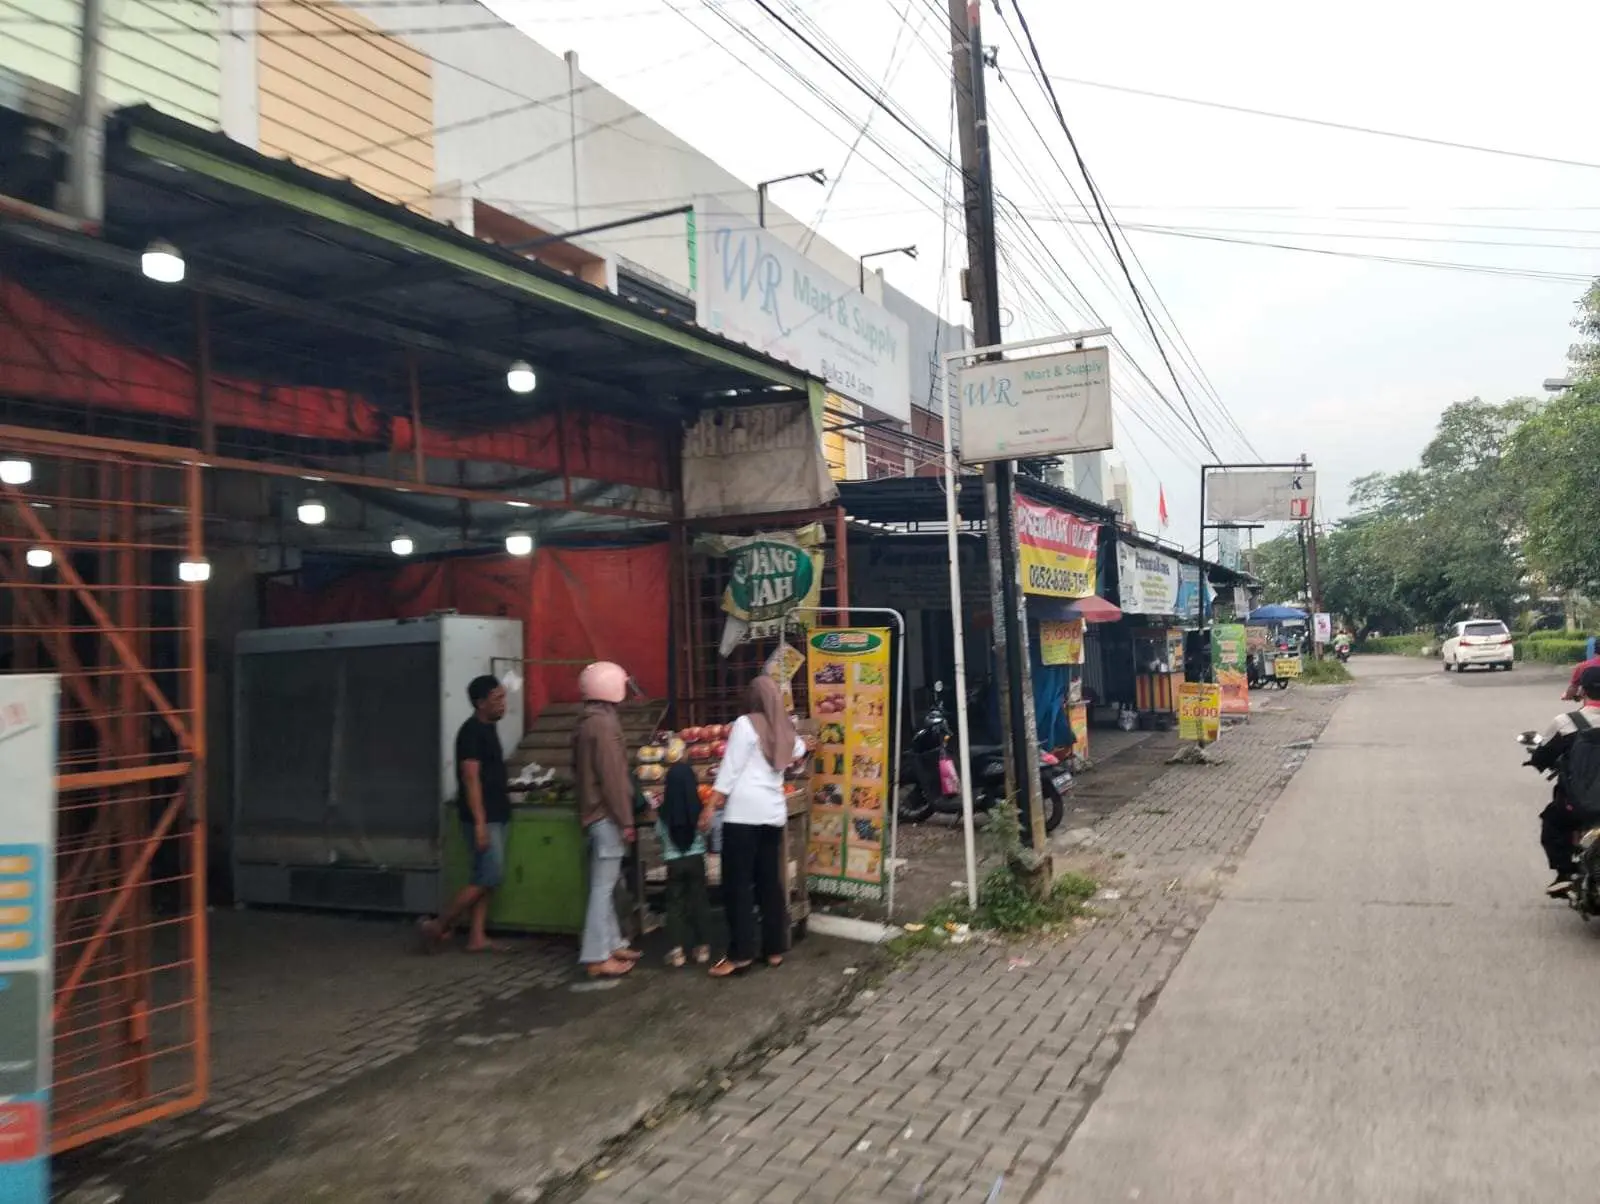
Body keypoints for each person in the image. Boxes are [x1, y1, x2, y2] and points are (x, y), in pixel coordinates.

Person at [702, 676, 805, 979]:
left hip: (743, 815)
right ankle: (774, 949)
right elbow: (799, 753)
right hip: (773, 814)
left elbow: (729, 769)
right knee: (768, 882)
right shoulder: (785, 728)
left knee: (737, 886)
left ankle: (741, 954)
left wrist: (710, 806)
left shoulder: (745, 725)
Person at [420, 675, 510, 952]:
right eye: (497, 699)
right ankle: (440, 924)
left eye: (503, 697)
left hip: (496, 812)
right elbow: (470, 778)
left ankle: (477, 937)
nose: (503, 704)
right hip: (483, 817)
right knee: (490, 876)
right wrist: (481, 823)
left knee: (482, 877)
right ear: (480, 703)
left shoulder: (489, 728)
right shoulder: (471, 732)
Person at [572, 660, 641, 979]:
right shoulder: (604, 725)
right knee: (602, 888)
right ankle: (596, 956)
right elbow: (613, 777)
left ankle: (611, 943)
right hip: (606, 815)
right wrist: (626, 819)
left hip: (594, 813)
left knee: (607, 883)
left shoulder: (587, 721)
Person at [1530, 664, 1600, 896]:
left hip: (1578, 806)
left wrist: (1538, 761)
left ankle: (1565, 873)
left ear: (1582, 691)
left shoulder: (1566, 722)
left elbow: (1542, 756)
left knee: (1553, 823)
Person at [659, 760, 712, 967]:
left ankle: (677, 951)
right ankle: (703, 949)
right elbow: (707, 831)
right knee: (699, 900)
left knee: (675, 905)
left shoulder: (664, 815)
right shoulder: (699, 811)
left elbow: (659, 834)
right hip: (696, 860)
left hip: (674, 862)